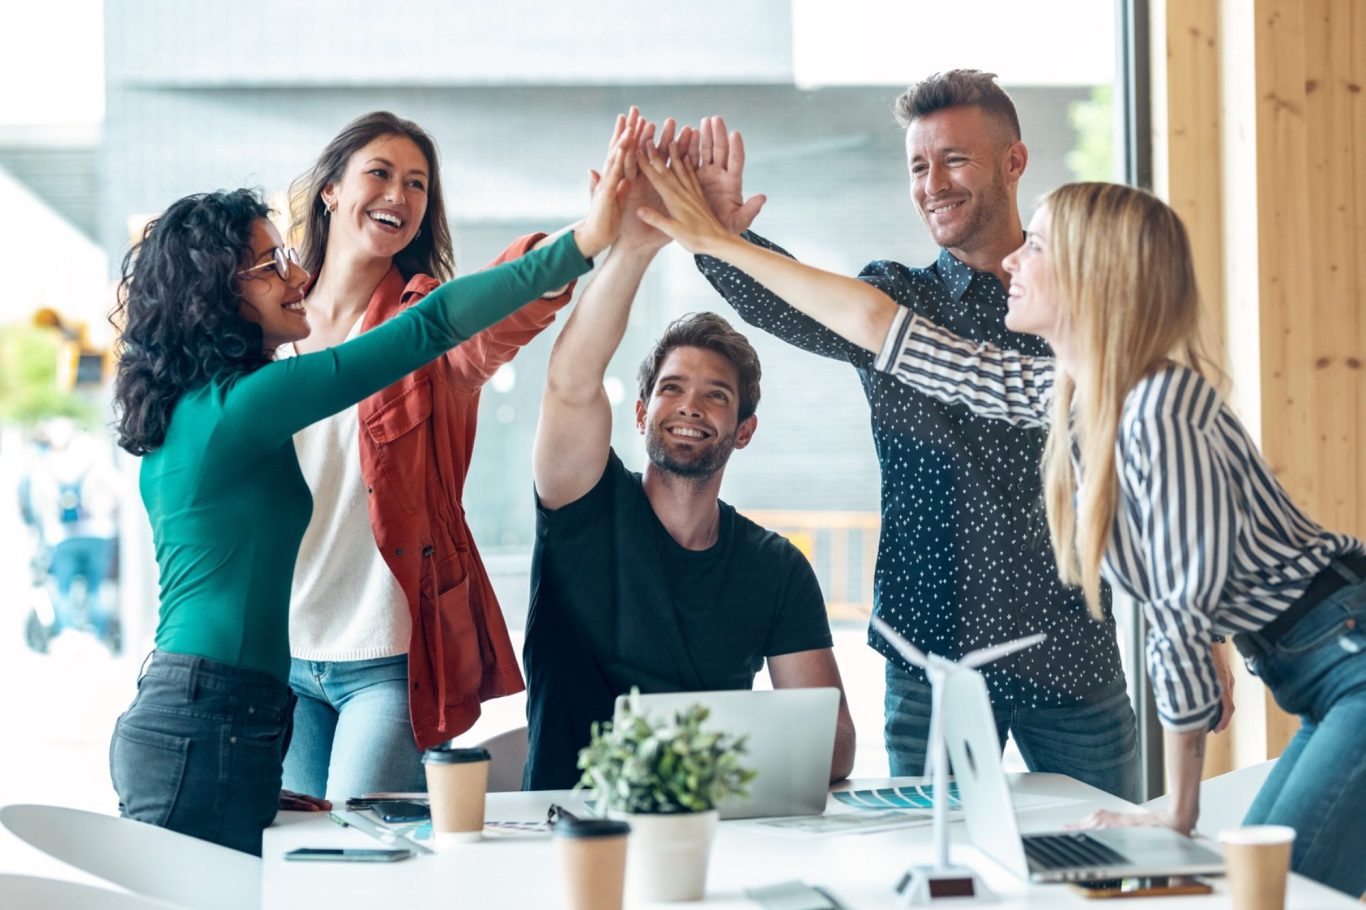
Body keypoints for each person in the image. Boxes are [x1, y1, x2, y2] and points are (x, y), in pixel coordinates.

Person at [637, 159, 1366, 896]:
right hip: (1317, 666)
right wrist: (719, 242)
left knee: (1275, 894)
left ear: (1093, 274)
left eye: (1039, 247)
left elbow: (1177, 618)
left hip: (1348, 660)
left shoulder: (1157, 408)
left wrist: (1175, 817)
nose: (1013, 259)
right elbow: (891, 334)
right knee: (1262, 890)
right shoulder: (1079, 393)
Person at [684, 71, 1198, 800]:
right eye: (918, 167)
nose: (932, 184)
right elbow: (794, 304)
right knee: (943, 875)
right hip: (932, 663)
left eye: (954, 160)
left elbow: (1168, 497)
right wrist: (721, 239)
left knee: (1104, 870)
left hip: (1072, 658)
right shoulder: (896, 298)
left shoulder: (1084, 319)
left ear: (1014, 163)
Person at [107, 140, 626, 854]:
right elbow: (432, 326)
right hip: (210, 715)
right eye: (268, 266)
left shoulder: (193, 407)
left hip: (221, 709)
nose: (294, 274)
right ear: (217, 292)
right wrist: (588, 240)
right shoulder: (242, 406)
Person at [523, 109, 856, 790]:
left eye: (716, 396)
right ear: (642, 412)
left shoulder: (775, 569)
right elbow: (570, 382)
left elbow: (834, 749)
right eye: (672, 389)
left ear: (744, 430)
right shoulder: (583, 506)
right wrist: (637, 246)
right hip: (571, 827)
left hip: (716, 827)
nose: (691, 407)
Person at [278, 112, 578, 802]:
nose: (399, 195)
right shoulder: (265, 326)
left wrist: (594, 231)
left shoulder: (425, 325)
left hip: (386, 659)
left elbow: (511, 300)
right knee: (297, 862)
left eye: (417, 184)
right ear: (329, 190)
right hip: (280, 655)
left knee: (363, 850)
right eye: (379, 173)